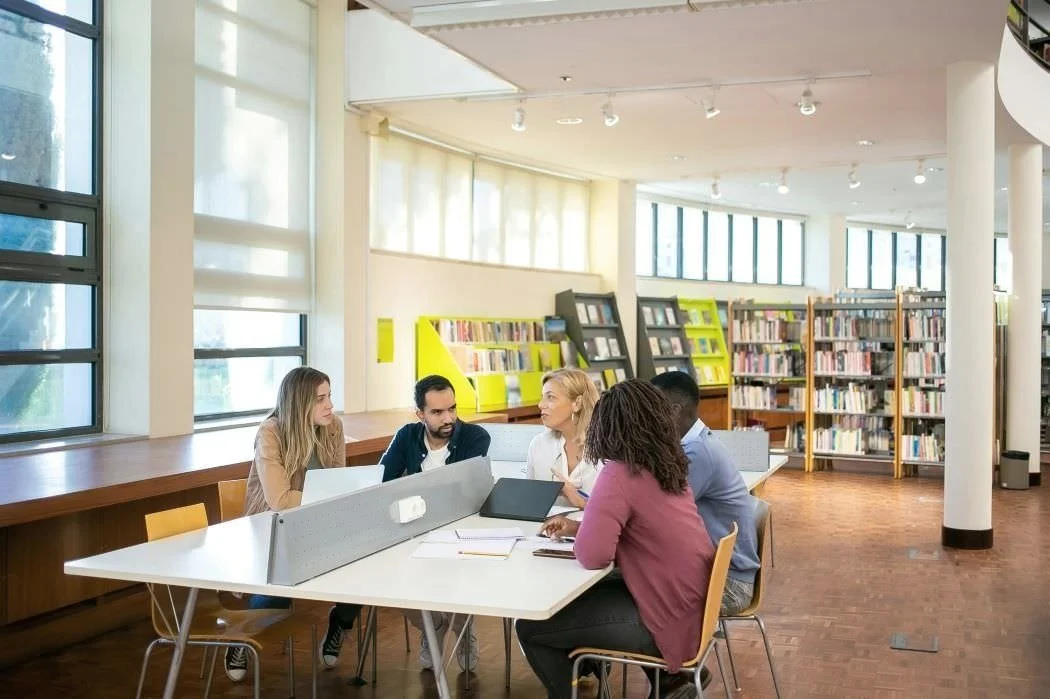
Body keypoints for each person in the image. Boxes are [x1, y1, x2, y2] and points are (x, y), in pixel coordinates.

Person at [516, 380, 716, 699]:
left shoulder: (618, 472)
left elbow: (593, 556)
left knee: (530, 627)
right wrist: (579, 526)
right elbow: (639, 532)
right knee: (582, 602)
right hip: (690, 605)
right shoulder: (666, 464)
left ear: (606, 426)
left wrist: (588, 528)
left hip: (662, 615)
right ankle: (668, 681)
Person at [236, 367, 362, 680]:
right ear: (298, 402)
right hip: (275, 526)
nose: (330, 405)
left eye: (329, 395)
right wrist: (328, 497)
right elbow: (279, 499)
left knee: (364, 566)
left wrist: (334, 498)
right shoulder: (271, 431)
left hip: (319, 521)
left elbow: (338, 482)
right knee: (280, 587)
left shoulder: (333, 426)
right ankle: (241, 638)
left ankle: (340, 622)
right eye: (321, 399)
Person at [380, 374, 491, 672]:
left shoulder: (476, 437)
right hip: (413, 531)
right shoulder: (406, 435)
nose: (449, 418)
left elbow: (462, 493)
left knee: (454, 572)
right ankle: (436, 624)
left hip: (461, 531)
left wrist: (413, 488)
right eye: (438, 412)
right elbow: (382, 483)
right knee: (388, 580)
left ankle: (462, 623)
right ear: (420, 415)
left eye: (452, 409)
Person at [651, 370, 761, 616]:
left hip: (729, 585)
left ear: (674, 410)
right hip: (717, 572)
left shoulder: (697, 452)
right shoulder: (693, 443)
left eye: (652, 409)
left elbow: (660, 511)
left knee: (628, 593)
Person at [526, 368, 601, 509]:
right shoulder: (539, 444)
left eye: (550, 397)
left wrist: (580, 501)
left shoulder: (608, 448)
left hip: (594, 529)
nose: (541, 405)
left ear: (577, 403)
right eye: (542, 397)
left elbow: (622, 510)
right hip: (547, 529)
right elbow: (529, 499)